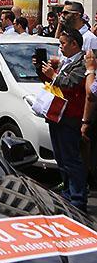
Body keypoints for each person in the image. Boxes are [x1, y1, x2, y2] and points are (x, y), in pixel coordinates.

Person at [40, 26, 87, 213]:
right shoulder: (66, 62)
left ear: (74, 44)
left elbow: (71, 83)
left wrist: (54, 75)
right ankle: (68, 192)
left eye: (63, 43)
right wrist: (47, 71)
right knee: (60, 157)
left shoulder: (83, 63)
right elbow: (55, 83)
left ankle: (78, 198)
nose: (60, 47)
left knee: (71, 159)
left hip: (70, 117)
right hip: (56, 115)